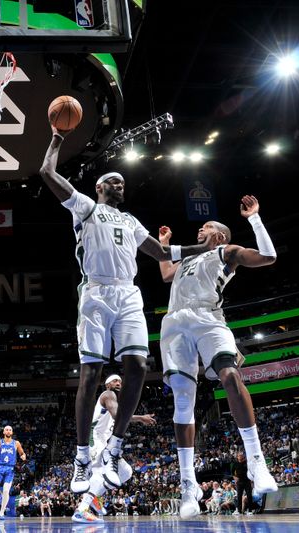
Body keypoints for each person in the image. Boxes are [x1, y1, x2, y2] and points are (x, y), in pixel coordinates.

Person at [39, 130, 213, 495]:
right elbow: (47, 173)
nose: (121, 186)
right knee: (91, 372)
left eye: (122, 183)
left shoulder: (132, 221)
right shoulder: (86, 208)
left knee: (138, 366)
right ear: (100, 187)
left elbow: (163, 255)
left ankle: (115, 447)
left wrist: (201, 247)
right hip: (97, 293)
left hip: (129, 293)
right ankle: (83, 456)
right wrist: (57, 138)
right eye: (114, 182)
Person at [156, 195, 279, 518]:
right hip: (175, 322)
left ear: (220, 235)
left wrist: (254, 218)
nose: (200, 228)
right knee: (183, 399)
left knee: (230, 375)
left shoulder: (227, 252)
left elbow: (268, 256)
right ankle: (188, 485)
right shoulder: (187, 259)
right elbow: (167, 274)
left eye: (206, 226)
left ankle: (256, 461)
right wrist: (163, 243)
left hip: (209, 318)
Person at [72, 374, 156, 523]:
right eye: (115, 381)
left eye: (120, 381)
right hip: (94, 440)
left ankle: (92, 496)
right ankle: (82, 510)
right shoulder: (108, 395)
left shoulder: (117, 401)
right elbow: (118, 416)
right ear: (107, 385)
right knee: (99, 474)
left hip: (104, 442)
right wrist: (141, 418)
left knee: (126, 472)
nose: (119, 383)